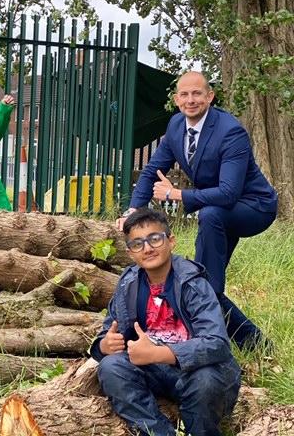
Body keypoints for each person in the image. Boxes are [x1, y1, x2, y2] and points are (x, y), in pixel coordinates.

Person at [117, 71, 277, 350]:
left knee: (211, 217)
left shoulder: (230, 131)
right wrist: (133, 210)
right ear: (177, 99)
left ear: (210, 97)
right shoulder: (177, 126)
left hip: (254, 207)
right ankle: (255, 345)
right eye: (185, 95)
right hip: (218, 211)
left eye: (197, 94)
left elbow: (229, 193)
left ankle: (206, 336)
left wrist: (176, 194)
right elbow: (151, 173)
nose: (191, 100)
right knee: (204, 284)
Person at [92, 208, 241, 436]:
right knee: (111, 368)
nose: (148, 248)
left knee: (207, 382)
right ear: (131, 253)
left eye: (155, 239)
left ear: (171, 241)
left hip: (195, 371)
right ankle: (158, 432)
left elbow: (217, 343)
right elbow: (107, 330)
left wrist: (156, 354)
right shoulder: (128, 284)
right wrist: (105, 345)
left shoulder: (193, 283)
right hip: (152, 371)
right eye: (137, 244)